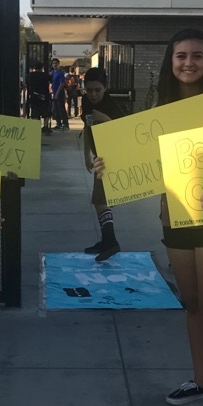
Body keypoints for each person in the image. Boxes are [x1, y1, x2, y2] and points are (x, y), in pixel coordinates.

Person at [133, 29, 203, 406]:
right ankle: (200, 379)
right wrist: (110, 164)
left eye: (197, 55)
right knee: (191, 303)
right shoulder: (160, 103)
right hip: (174, 212)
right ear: (170, 61)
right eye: (181, 56)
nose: (189, 63)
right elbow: (139, 158)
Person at [78, 67, 122, 262]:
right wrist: (86, 154)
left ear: (105, 88)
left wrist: (105, 119)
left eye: (98, 90)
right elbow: (88, 127)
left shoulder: (112, 105)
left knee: (101, 200)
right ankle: (107, 240)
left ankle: (111, 242)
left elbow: (125, 131)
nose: (93, 94)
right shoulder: (86, 102)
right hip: (99, 156)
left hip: (113, 156)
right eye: (89, 90)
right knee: (98, 200)